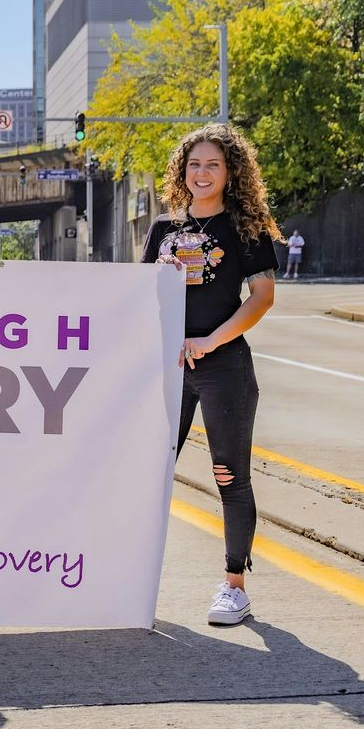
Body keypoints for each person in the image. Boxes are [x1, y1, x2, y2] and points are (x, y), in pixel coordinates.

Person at [141, 123, 279, 626]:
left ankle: (234, 586)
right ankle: (130, 579)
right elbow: (141, 294)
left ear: (230, 172)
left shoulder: (246, 228)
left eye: (213, 165)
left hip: (224, 367)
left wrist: (210, 340)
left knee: (229, 476)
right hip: (167, 367)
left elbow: (262, 298)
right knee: (147, 474)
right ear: (182, 171)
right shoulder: (162, 228)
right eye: (194, 164)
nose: (202, 173)